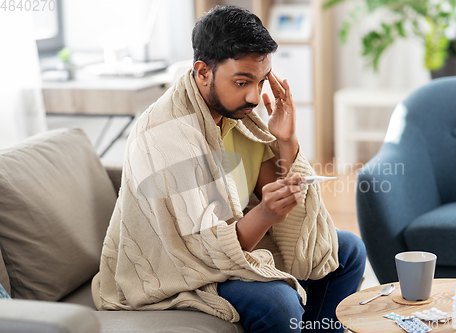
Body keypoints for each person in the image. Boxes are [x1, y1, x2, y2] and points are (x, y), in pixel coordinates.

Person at [92, 5, 366, 333]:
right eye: (242, 81)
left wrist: (287, 139)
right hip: (180, 267)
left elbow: (275, 190)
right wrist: (265, 213)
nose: (254, 95)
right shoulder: (166, 134)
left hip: (230, 245)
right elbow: (203, 252)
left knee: (348, 250)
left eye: (262, 81)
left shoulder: (241, 117)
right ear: (203, 71)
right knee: (279, 303)